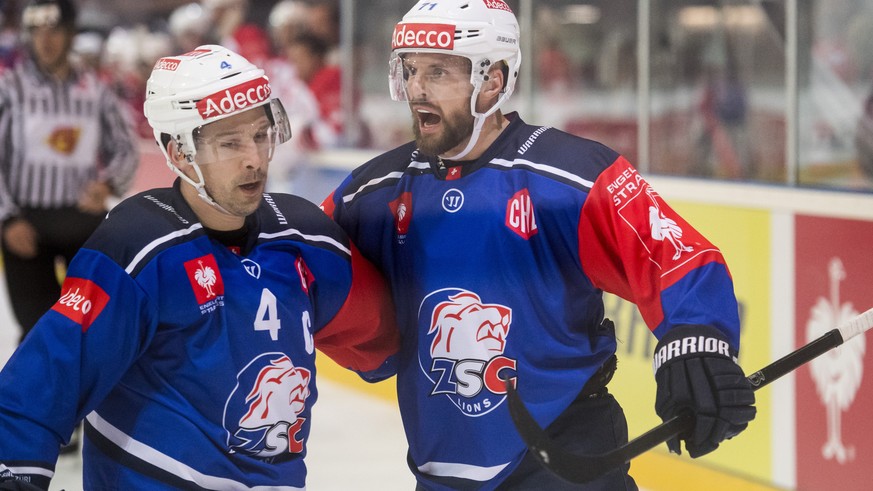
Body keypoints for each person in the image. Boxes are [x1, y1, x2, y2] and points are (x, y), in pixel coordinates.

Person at [320, 1, 756, 489]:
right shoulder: (373, 192)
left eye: (438, 71)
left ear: (492, 80)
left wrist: (697, 338)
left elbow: (673, 255)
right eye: (411, 69)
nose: (417, 88)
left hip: (567, 454)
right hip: (442, 461)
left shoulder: (569, 177)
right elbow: (304, 271)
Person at [0, 44, 399, 490]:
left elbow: (387, 343)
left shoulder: (304, 237)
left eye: (261, 134)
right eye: (229, 143)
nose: (254, 158)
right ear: (179, 152)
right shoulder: (135, 247)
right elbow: (38, 389)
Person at [0, 0, 139, 345]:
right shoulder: (10, 90)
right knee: (37, 332)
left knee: (92, 324)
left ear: (71, 34)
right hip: (26, 224)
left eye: (55, 31)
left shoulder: (95, 91)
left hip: (81, 220)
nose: (45, 40)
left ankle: (89, 398)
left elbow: (127, 146)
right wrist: (6, 220)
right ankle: (39, 399)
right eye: (37, 31)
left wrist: (108, 183)